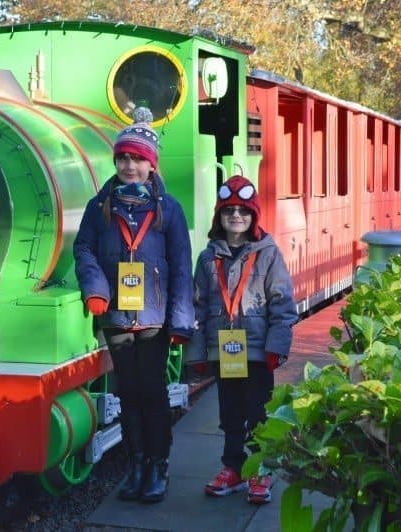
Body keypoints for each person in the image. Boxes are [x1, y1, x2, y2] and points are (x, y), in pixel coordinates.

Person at [73, 117, 194, 503]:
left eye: (137, 159)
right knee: (128, 392)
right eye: (123, 158)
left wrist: (180, 322)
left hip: (155, 318)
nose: (129, 166)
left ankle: (159, 466)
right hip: (118, 316)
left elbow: (180, 265)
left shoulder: (169, 211)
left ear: (151, 164)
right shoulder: (99, 207)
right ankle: (137, 465)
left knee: (152, 392)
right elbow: (84, 250)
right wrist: (95, 289)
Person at [185, 175, 298, 505]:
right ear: (220, 217)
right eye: (229, 211)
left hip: (259, 351)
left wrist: (277, 346)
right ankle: (233, 467)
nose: (236, 216)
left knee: (258, 412)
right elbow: (198, 305)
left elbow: (282, 303)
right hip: (225, 350)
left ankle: (260, 467)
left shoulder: (268, 254)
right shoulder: (207, 259)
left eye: (243, 211)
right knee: (230, 412)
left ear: (254, 217)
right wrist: (199, 351)